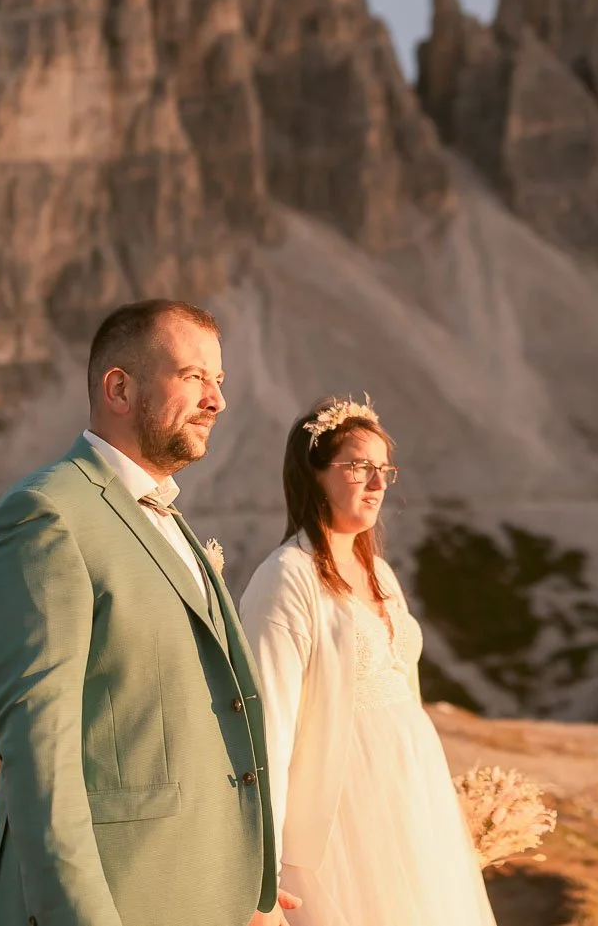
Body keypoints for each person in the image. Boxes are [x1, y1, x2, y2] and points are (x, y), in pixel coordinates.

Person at [0, 299, 300, 926]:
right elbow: (41, 756)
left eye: (219, 381)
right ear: (118, 388)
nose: (217, 402)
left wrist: (248, 893)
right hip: (117, 902)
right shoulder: (46, 515)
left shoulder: (166, 515)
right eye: (194, 377)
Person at [239, 396, 498, 926]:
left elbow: (409, 692)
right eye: (359, 467)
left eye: (384, 469)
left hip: (409, 795)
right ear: (313, 473)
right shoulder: (285, 577)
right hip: (340, 814)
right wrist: (261, 867)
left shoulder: (380, 571)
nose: (378, 484)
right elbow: (268, 726)